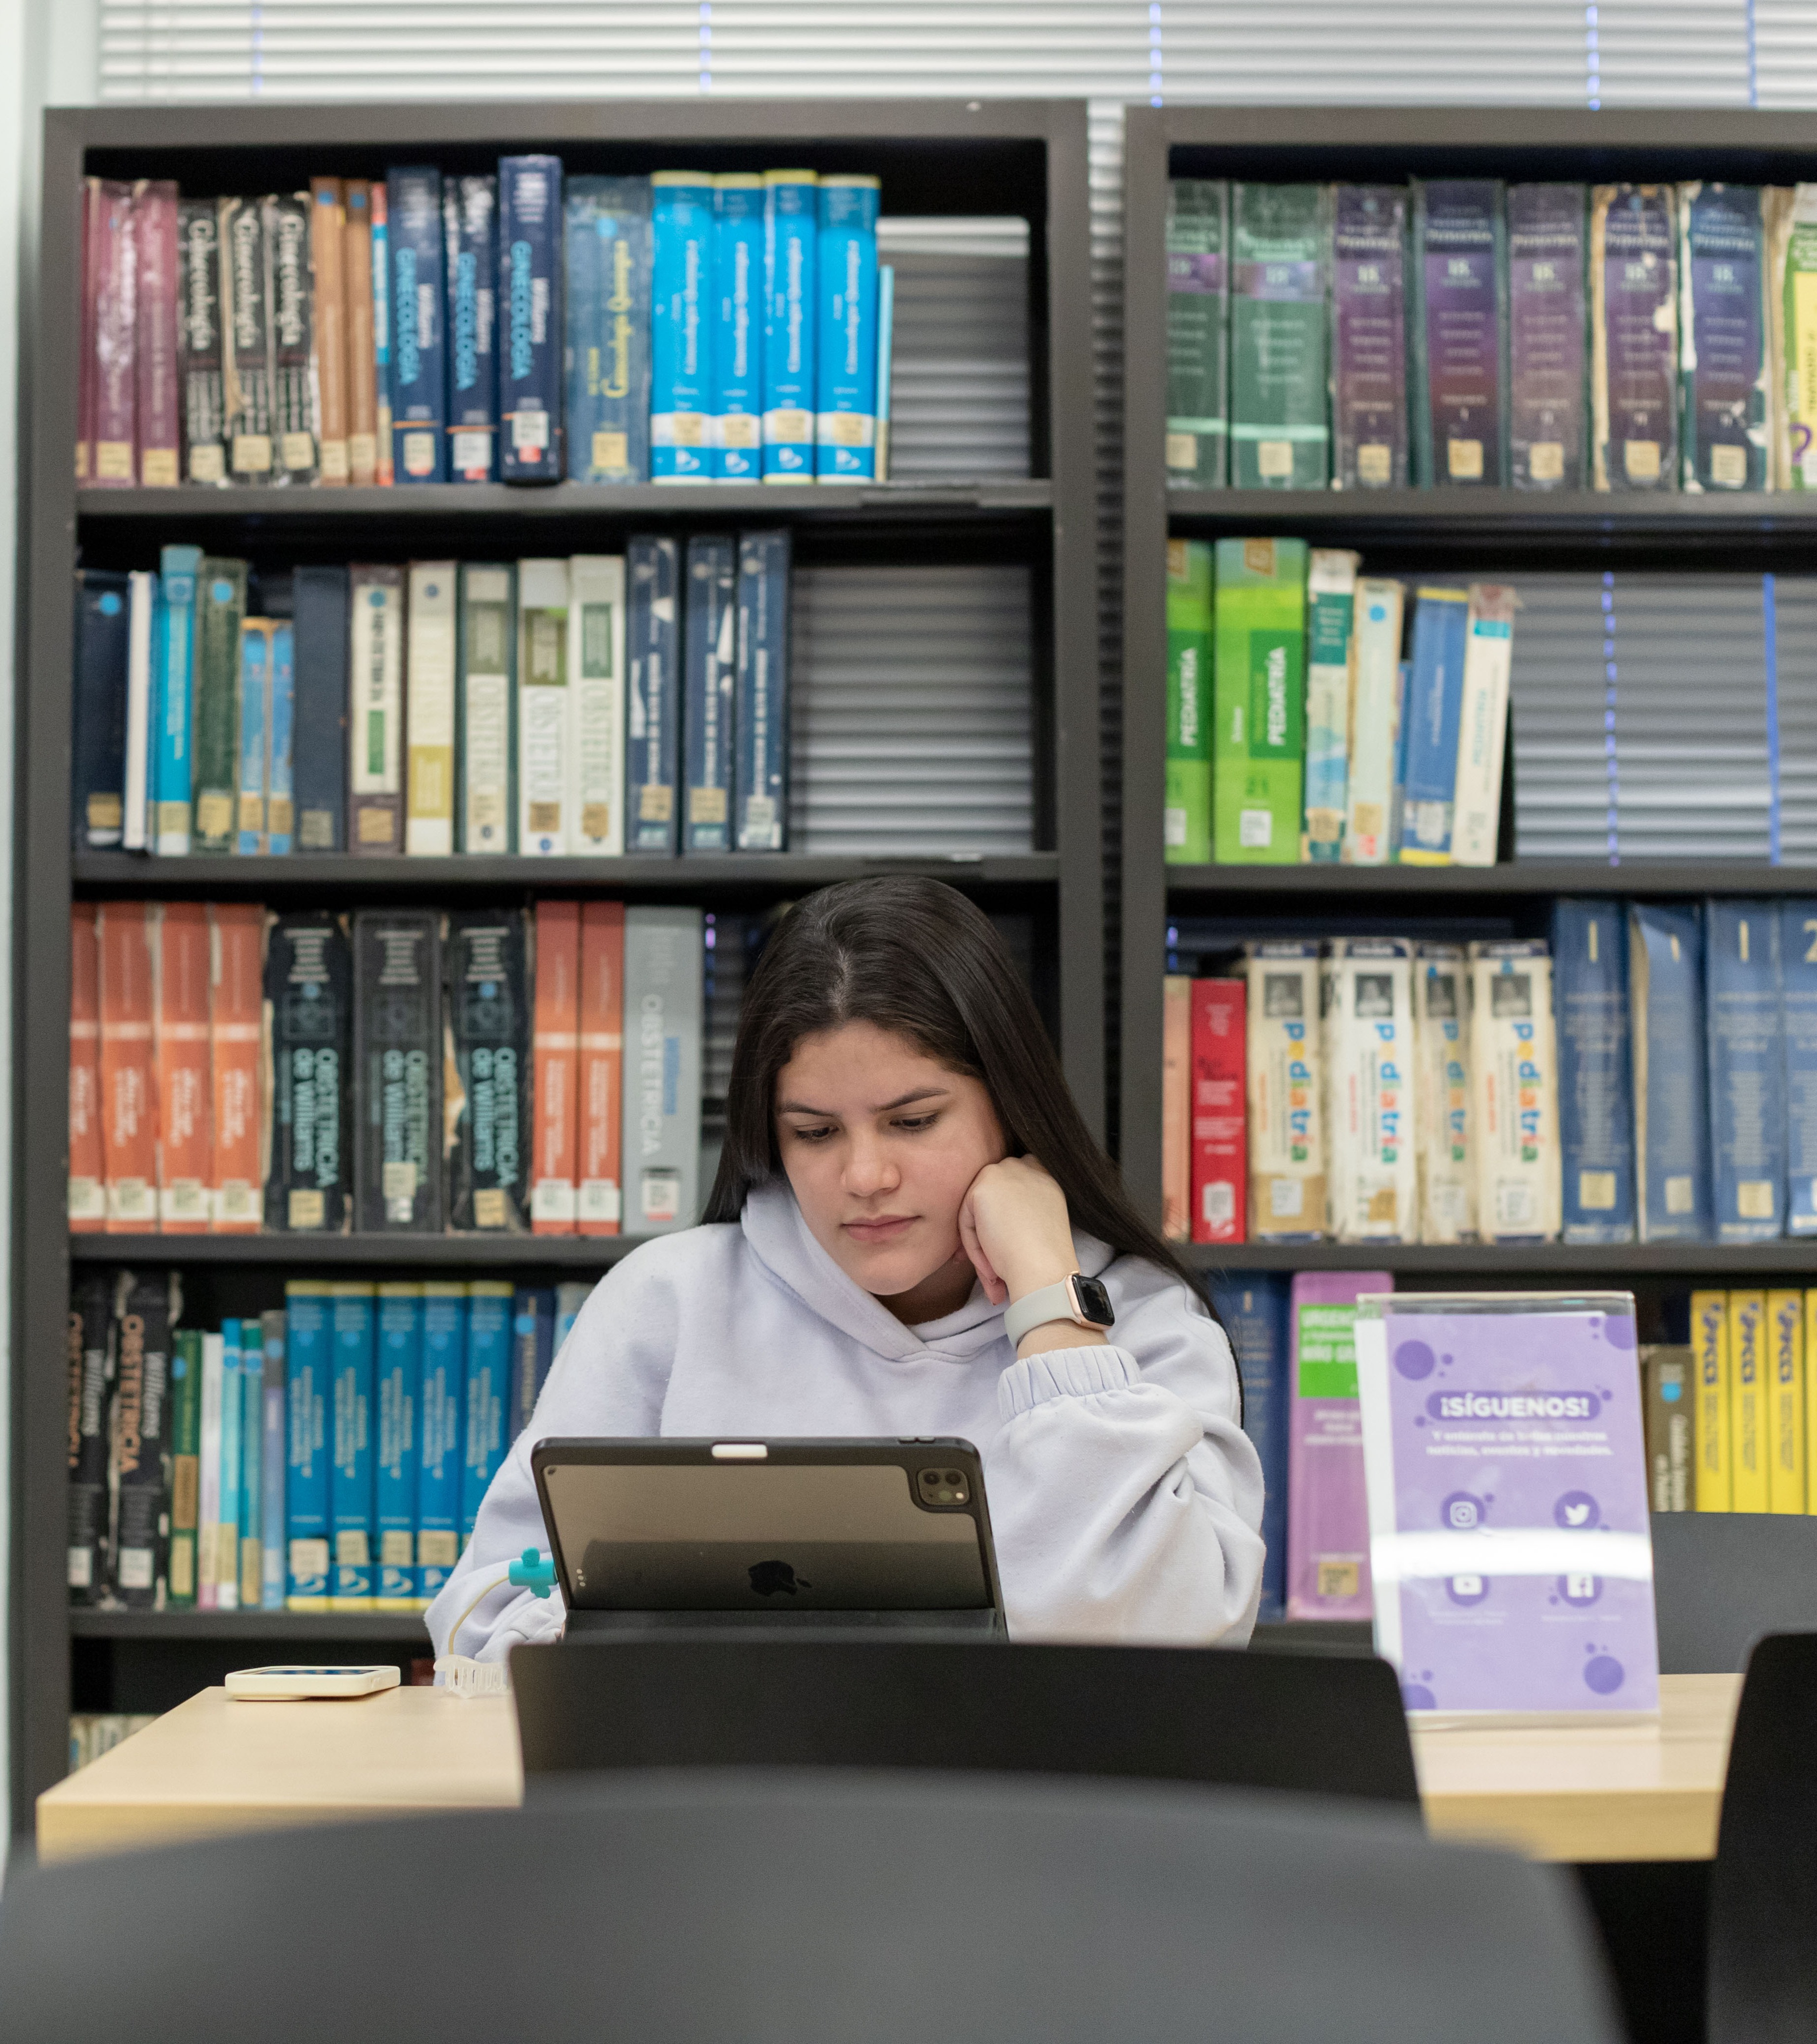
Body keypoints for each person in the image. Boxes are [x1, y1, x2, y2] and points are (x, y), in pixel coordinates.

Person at [429, 876, 1264, 1660]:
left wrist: (1053, 1307)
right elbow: (485, 1615)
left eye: (912, 1121)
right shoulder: (669, 1300)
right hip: (728, 1801)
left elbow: (1178, 1636)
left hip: (1026, 1811)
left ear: (1012, 1107)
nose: (864, 1178)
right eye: (816, 1133)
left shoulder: (1149, 1322)